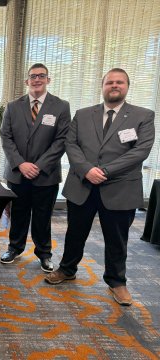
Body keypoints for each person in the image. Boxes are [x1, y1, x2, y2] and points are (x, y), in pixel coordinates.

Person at [45, 68, 155, 306]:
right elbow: (71, 144)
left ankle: (117, 281)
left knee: (117, 238)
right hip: (82, 185)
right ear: (102, 86)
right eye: (110, 82)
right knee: (75, 232)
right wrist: (87, 169)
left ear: (127, 86)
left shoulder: (143, 115)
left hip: (119, 188)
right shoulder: (83, 114)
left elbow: (140, 152)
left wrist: (105, 171)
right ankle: (67, 269)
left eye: (120, 82)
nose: (114, 86)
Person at [0, 63, 71, 272]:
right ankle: (14, 248)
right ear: (27, 81)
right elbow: (6, 137)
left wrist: (38, 166)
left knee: (43, 216)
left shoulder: (61, 106)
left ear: (48, 80)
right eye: (33, 76)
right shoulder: (13, 106)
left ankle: (44, 253)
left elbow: (62, 140)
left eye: (41, 76)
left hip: (46, 174)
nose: (37, 79)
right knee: (18, 213)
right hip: (17, 173)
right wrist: (21, 163)